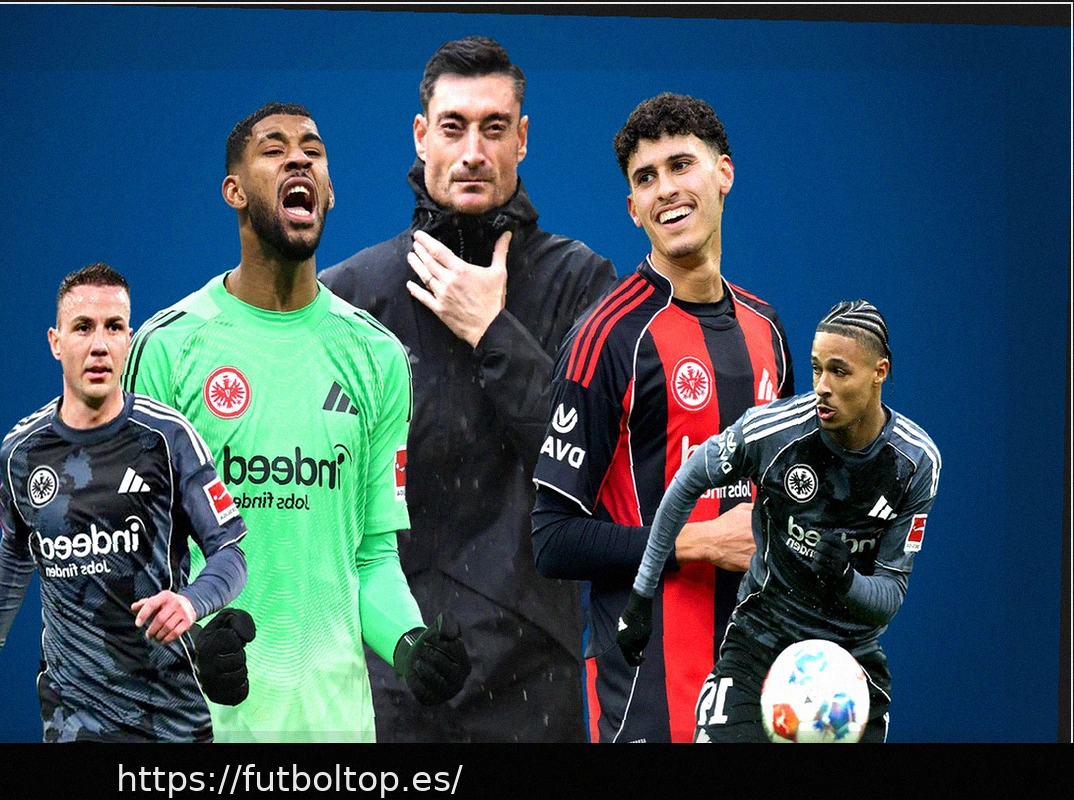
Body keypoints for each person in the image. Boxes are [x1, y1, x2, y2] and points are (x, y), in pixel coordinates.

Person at [122, 102, 470, 743]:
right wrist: (195, 644)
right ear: (234, 191)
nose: (299, 159)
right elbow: (132, 556)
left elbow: (370, 558)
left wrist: (411, 644)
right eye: (274, 149)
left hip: (338, 733)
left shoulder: (377, 357)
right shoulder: (169, 349)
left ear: (329, 192)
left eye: (312, 150)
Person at [319, 36, 617, 742]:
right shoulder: (349, 296)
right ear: (421, 136)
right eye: (453, 127)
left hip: (532, 675)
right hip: (384, 675)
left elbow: (592, 473)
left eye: (494, 127)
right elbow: (314, 503)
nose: (473, 152)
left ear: (523, 138)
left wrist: (492, 331)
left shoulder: (582, 283)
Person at [531, 93, 795, 743]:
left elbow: (786, 508)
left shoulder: (767, 330)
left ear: (724, 173)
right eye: (646, 178)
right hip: (648, 698)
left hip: (764, 692)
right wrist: (698, 541)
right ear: (633, 208)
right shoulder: (607, 337)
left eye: (681, 165)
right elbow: (552, 538)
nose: (666, 190)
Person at [0, 263, 249, 743]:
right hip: (72, 719)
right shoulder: (22, 452)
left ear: (129, 340)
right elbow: (17, 553)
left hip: (170, 717)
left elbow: (231, 552)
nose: (99, 344)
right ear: (55, 342)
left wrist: (190, 602)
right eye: (83, 327)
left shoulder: (168, 438)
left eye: (114, 327)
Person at [617, 300, 941, 743]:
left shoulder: (914, 462)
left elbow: (890, 594)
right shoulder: (773, 432)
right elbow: (685, 484)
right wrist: (641, 594)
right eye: (816, 369)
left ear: (879, 372)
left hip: (848, 665)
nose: (822, 387)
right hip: (760, 644)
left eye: (839, 372)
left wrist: (845, 581)